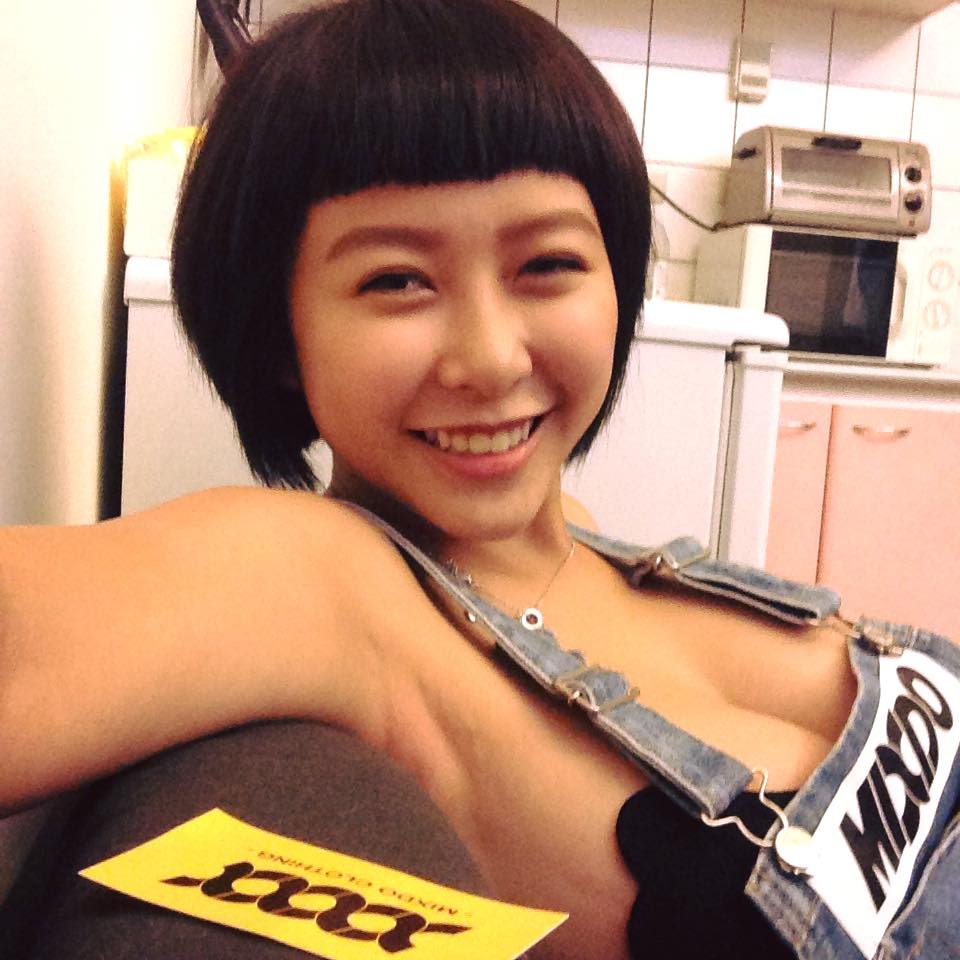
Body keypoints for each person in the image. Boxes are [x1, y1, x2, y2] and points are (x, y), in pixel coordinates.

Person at [1, 1, 957, 958]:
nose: (493, 359)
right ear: (281, 333)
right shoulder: (318, 581)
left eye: (547, 263)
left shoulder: (589, 543)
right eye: (397, 280)